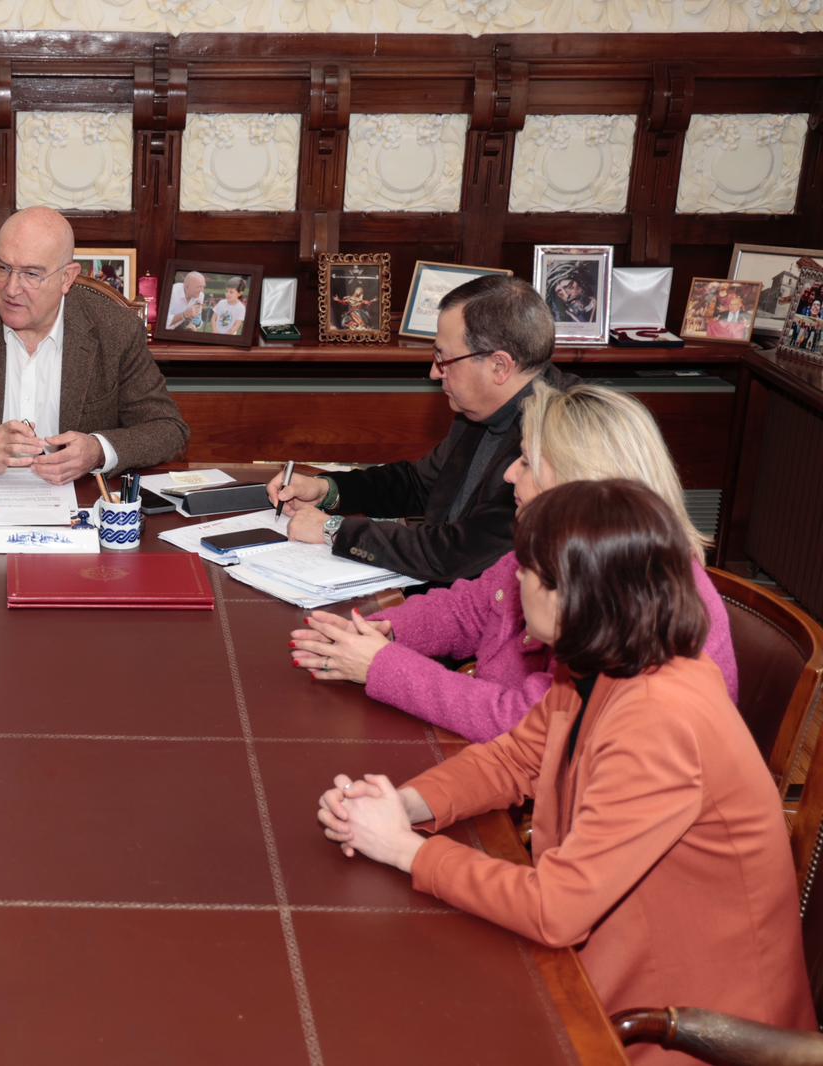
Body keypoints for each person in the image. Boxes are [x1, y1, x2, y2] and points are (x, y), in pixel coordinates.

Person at [315, 480, 815, 1057]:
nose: (514, 582)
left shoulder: (661, 721)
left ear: (570, 593)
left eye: (527, 571)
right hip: (618, 966)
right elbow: (516, 757)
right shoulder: (608, 664)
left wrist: (405, 850)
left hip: (684, 1028)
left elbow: (556, 910)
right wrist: (402, 806)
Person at [288, 382, 737, 741]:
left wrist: (383, 666)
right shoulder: (563, 542)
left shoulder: (636, 597)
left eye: (525, 461)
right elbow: (471, 608)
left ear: (578, 478)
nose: (508, 474)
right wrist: (385, 632)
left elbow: (528, 725)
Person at [269, 274, 577, 584]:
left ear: (499, 366)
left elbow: (457, 553)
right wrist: (327, 489)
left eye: (444, 359)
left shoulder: (562, 438)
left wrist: (334, 530)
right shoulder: (480, 407)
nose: (434, 373)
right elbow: (418, 484)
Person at [0, 206, 189, 485]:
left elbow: (169, 430)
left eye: (31, 274)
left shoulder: (115, 330)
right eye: (2, 268)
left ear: (67, 278)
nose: (11, 289)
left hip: (79, 501)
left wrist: (97, 450)